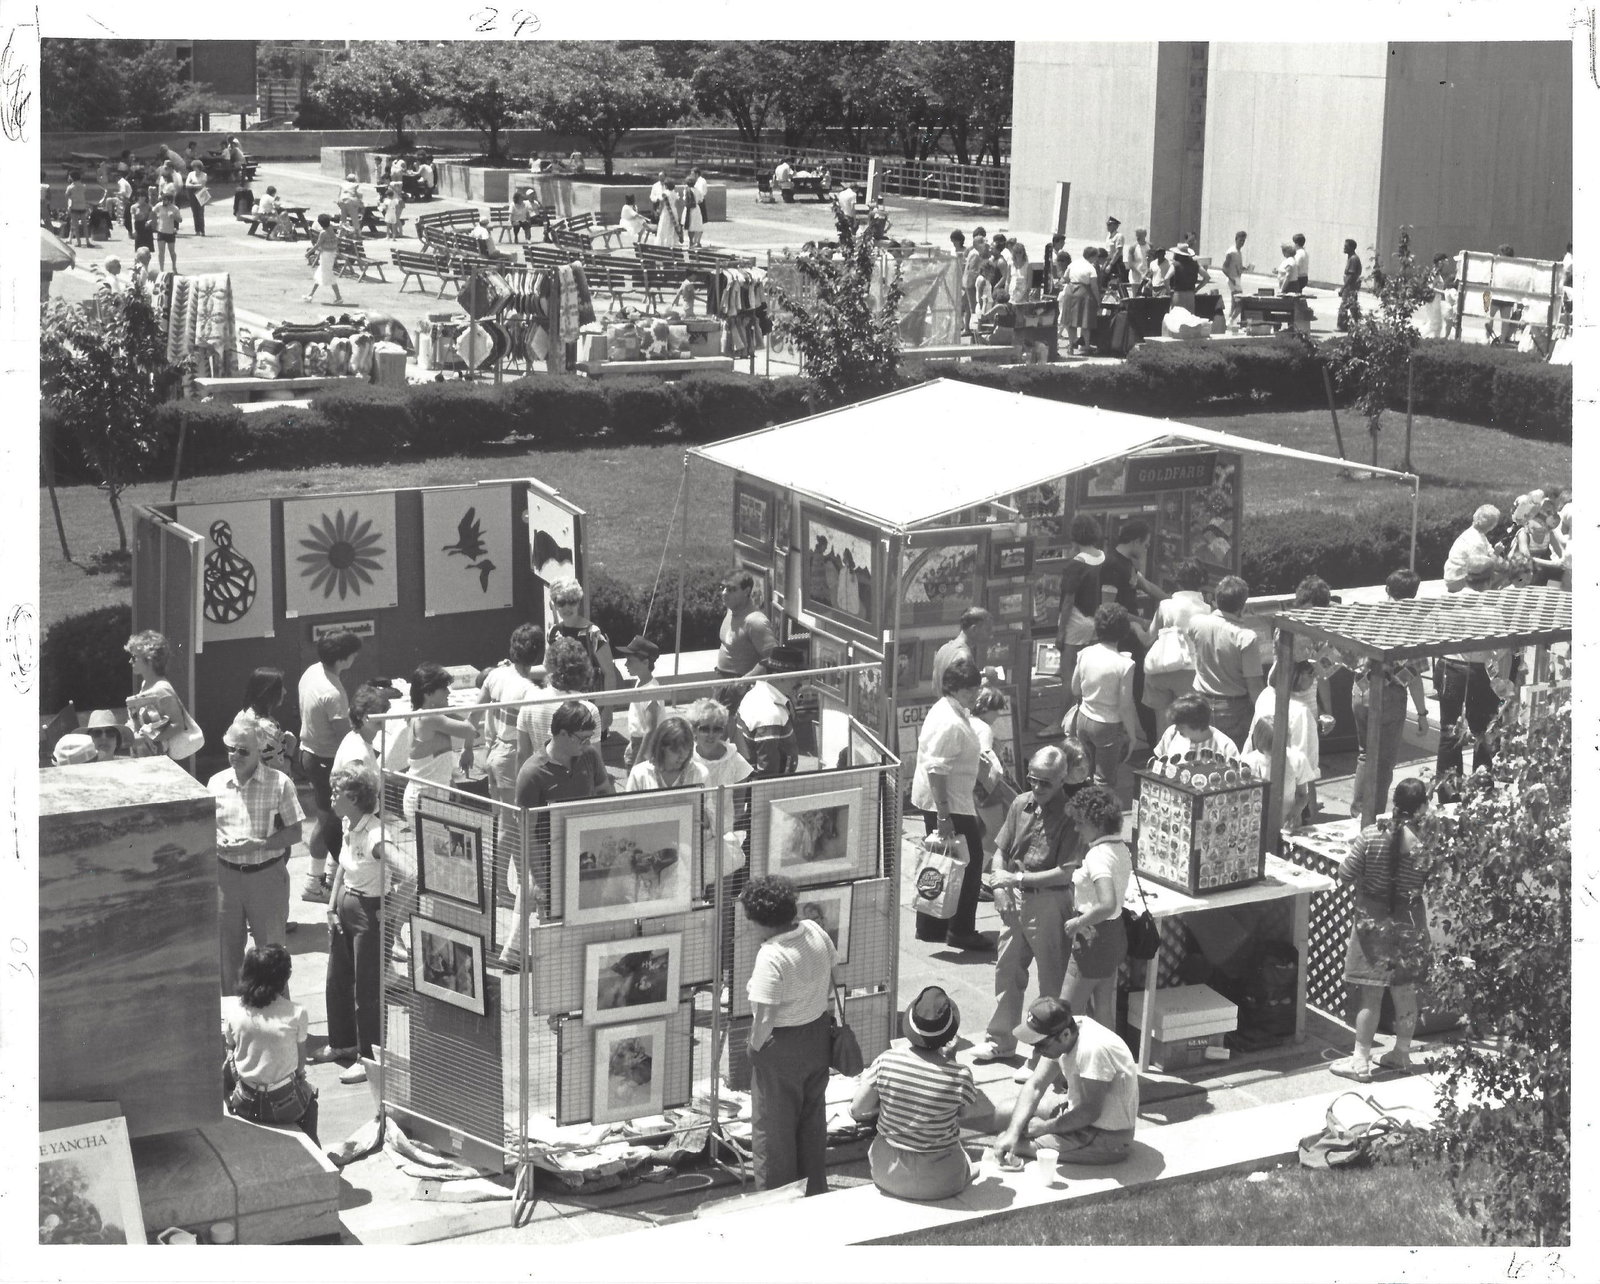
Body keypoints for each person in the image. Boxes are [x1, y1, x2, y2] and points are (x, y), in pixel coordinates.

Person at [969, 744, 1090, 1068]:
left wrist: (1014, 881)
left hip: (1049, 902)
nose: (1037, 788)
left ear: (1062, 779)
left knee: (1051, 983)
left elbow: (1065, 872)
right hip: (1015, 898)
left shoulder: (1070, 815)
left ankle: (1044, 1057)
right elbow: (1001, 851)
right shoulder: (1020, 804)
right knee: (1006, 972)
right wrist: (999, 883)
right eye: (1032, 780)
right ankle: (1000, 1041)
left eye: (1045, 783)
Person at [743, 873, 841, 1196]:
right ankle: (814, 1193)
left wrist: (755, 1050)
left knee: (774, 1136)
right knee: (812, 1125)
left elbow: (765, 1018)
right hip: (817, 1039)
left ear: (763, 921)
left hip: (781, 1050)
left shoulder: (771, 956)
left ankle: (778, 1200)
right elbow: (831, 975)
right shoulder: (814, 931)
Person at [1331, 779, 1432, 1081]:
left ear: (1393, 802)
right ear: (1423, 806)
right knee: (1405, 991)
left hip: (1372, 922)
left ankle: (1361, 1061)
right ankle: (1401, 1054)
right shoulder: (1425, 844)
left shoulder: (1370, 836)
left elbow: (1345, 874)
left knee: (1371, 996)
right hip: (1409, 921)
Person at [504, 702, 612, 961]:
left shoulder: (589, 757)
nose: (587, 744)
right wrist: (541, 881)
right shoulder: (532, 773)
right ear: (561, 734)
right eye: (582, 739)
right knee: (554, 935)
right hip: (549, 862)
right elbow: (527, 835)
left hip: (588, 858)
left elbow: (606, 793)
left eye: (589, 738)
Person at [850, 986, 979, 1201]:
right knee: (963, 1154)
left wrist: (885, 1105)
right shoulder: (961, 1075)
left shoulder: (886, 1061)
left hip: (887, 1173)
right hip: (943, 1181)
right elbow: (966, 1114)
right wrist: (951, 1061)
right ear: (949, 1035)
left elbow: (857, 1108)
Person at [209, 715, 305, 991]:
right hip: (225, 879)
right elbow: (206, 827)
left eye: (242, 751)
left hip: (266, 878)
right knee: (227, 958)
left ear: (259, 752)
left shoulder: (279, 784)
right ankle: (234, 1025)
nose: (234, 755)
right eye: (230, 748)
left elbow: (296, 833)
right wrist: (217, 841)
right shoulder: (215, 783)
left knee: (271, 956)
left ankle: (278, 1026)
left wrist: (259, 844)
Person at [992, 996, 1138, 1168]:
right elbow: (1035, 1085)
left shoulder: (1092, 1050)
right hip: (1078, 1112)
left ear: (1065, 1035)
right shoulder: (1067, 1029)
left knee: (1009, 1145)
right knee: (1003, 1115)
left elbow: (1089, 1112)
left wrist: (1044, 1128)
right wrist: (1013, 1132)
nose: (1037, 1051)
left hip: (1106, 1136)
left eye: (1041, 1045)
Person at [317, 764, 392, 1084]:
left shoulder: (376, 834)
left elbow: (411, 874)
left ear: (355, 797)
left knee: (367, 989)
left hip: (368, 916)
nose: (331, 795)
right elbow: (343, 869)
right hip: (345, 912)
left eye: (338, 791)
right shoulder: (350, 825)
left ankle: (370, 1058)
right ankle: (344, 1044)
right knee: (337, 980)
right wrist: (332, 907)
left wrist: (390, 913)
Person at [911, 656, 990, 951]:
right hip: (949, 804)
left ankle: (931, 925)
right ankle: (961, 930)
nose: (976, 695)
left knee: (940, 861)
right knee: (969, 865)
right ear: (955, 689)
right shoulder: (950, 722)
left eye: (977, 689)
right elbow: (937, 769)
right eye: (971, 690)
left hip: (946, 800)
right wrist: (944, 815)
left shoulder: (949, 709)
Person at [1434, 554, 1514, 797]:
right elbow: (1501, 651)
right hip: (1479, 672)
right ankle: (1481, 793)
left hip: (1449, 668)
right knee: (1484, 732)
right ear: (1489, 580)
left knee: (1450, 732)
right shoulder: (1493, 611)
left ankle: (1448, 795)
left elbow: (1437, 635)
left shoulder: (1448, 604)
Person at [222, 944, 319, 1145]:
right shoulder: (297, 1012)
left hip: (245, 1104)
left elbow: (230, 1051)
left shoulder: (234, 1011)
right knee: (311, 1102)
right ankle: (314, 1149)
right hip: (285, 1106)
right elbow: (300, 1066)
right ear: (283, 978)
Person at [1060, 783, 1132, 1026]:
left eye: (1080, 822)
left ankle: (1051, 1064)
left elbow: (1107, 904)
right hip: (1113, 938)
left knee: (1065, 1013)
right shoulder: (1120, 848)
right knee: (1102, 1011)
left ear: (1097, 823)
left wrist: (1077, 922)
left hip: (1092, 938)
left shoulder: (1097, 855)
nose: (1076, 827)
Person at [297, 628, 361, 901]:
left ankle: (328, 879)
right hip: (326, 762)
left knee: (331, 822)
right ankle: (315, 885)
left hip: (310, 754)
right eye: (353, 654)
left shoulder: (313, 671)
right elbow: (346, 736)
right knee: (329, 823)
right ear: (343, 659)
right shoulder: (333, 693)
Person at [1101, 520, 1162, 747]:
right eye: (1145, 545)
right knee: (1138, 687)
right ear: (1135, 541)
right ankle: (1149, 738)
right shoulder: (1112, 566)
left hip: (1131, 633)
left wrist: (1174, 601)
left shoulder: (1127, 564)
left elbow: (1146, 586)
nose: (1146, 549)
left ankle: (1149, 735)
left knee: (1139, 687)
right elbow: (1107, 607)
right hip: (1122, 637)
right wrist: (1142, 621)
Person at [1187, 574, 1262, 750]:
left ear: (1215, 599)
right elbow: (1254, 685)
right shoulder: (1246, 637)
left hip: (1201, 702)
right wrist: (1264, 714)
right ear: (1242, 605)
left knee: (1203, 757)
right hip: (1234, 709)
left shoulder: (1196, 623)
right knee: (1232, 762)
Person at [475, 624, 546, 807]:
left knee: (500, 819)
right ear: (537, 654)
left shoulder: (495, 675)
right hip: (513, 759)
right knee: (518, 823)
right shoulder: (529, 691)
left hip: (494, 753)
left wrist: (468, 748)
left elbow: (474, 714)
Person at [1070, 605, 1139, 789]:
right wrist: (1132, 736)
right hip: (1107, 725)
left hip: (1083, 719)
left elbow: (1075, 689)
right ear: (1124, 631)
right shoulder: (1125, 664)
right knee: (1104, 781)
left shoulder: (1085, 653)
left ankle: (1083, 809)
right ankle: (1099, 815)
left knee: (1084, 773)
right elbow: (1125, 706)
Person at [402, 662, 480, 821]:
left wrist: (450, 782)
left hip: (432, 796)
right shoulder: (430, 717)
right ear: (428, 693)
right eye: (443, 688)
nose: (448, 692)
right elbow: (471, 730)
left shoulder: (426, 715)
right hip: (424, 799)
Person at [547, 577, 623, 730]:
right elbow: (549, 668)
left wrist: (608, 710)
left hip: (590, 708)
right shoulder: (553, 633)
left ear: (579, 602)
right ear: (554, 604)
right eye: (561, 603)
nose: (567, 607)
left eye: (572, 601)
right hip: (562, 707)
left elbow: (609, 673)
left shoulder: (593, 634)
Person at [516, 636, 600, 771]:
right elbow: (595, 761)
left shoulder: (530, 701)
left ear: (550, 667)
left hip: (539, 778)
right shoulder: (589, 709)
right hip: (578, 782)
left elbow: (522, 755)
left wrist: (521, 787)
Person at [713, 569, 778, 720]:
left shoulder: (755, 621)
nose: (724, 593)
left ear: (746, 591)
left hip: (740, 688)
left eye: (731, 589)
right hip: (722, 683)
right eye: (722, 588)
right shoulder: (730, 611)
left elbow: (771, 658)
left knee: (729, 733)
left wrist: (743, 682)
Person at [1056, 514, 1107, 682]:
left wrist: (1061, 632)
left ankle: (1066, 709)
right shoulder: (1103, 558)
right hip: (1098, 619)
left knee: (1069, 676)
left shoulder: (1075, 564)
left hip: (1076, 622)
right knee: (1090, 673)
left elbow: (1068, 601)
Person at [1241, 715, 1313, 832]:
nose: (1275, 753)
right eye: (1270, 748)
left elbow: (1303, 795)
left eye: (1279, 746)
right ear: (1260, 742)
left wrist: (1296, 810)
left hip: (1288, 826)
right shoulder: (1248, 763)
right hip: (1257, 828)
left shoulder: (1297, 759)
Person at [123, 629, 187, 758]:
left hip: (158, 757)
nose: (130, 661)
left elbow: (178, 725)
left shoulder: (161, 689)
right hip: (144, 755)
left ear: (149, 659)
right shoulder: (146, 684)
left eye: (134, 657)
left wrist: (148, 739)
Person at [618, 636, 666, 770]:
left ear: (645, 663)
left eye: (630, 661)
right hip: (636, 742)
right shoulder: (640, 682)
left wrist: (638, 761)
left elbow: (651, 729)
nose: (626, 664)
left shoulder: (651, 691)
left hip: (647, 746)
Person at [625, 715, 706, 794]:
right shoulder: (639, 774)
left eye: (687, 749)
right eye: (676, 750)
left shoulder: (700, 773)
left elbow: (707, 806)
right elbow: (627, 806)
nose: (682, 755)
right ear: (661, 747)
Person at [241, 666, 299, 778]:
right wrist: (290, 748)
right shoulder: (266, 729)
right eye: (281, 688)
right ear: (269, 692)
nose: (285, 692)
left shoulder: (243, 715)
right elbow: (280, 772)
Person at [1152, 693, 1241, 760]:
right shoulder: (1171, 733)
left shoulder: (1225, 747)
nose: (1176, 728)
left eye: (1181, 726)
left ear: (1197, 725)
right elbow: (1157, 766)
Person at [930, 606, 994, 697]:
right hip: (955, 710)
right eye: (987, 630)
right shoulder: (963, 656)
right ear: (974, 629)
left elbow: (936, 688)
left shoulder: (943, 649)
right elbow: (963, 695)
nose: (991, 635)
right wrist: (987, 681)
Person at [1443, 505, 1504, 592]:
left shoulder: (1476, 533)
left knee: (1501, 569)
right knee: (1502, 575)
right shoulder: (1476, 541)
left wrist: (1496, 556)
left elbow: (1490, 551)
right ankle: (1484, 596)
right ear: (1491, 525)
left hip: (1454, 577)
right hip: (1457, 580)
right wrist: (1497, 553)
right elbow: (1481, 567)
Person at [334, 683, 391, 774]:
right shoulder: (357, 754)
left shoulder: (359, 738)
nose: (381, 716)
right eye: (374, 712)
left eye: (384, 711)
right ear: (359, 715)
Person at [1060, 249, 1099, 353]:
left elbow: (1065, 278)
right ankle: (1086, 345)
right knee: (1085, 321)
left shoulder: (1073, 264)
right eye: (1096, 257)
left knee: (1070, 321)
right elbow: (1094, 286)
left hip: (1070, 291)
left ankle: (1071, 345)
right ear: (1092, 256)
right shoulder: (1091, 268)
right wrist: (1098, 300)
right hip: (1083, 292)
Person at [304, 213, 343, 305]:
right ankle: (310, 294)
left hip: (326, 255)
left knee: (328, 275)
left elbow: (317, 245)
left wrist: (308, 253)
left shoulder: (323, 233)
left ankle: (339, 298)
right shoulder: (330, 227)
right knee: (320, 274)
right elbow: (339, 227)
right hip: (330, 254)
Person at [1221, 231, 1252, 331]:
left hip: (1237, 279)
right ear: (1236, 239)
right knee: (1240, 302)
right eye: (1240, 240)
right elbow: (1224, 268)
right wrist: (1231, 279)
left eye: (1243, 241)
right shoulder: (1231, 252)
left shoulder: (1239, 252)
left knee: (1234, 304)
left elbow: (1237, 267)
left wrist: (1245, 268)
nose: (1242, 242)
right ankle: (1229, 321)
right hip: (1233, 280)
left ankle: (1228, 323)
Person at [1168, 242, 1201, 313]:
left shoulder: (1175, 265)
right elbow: (1207, 277)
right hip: (1190, 294)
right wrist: (1197, 289)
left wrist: (1169, 291)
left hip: (1178, 294)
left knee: (1177, 318)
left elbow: (1166, 278)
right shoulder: (1194, 264)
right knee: (1189, 319)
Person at [1337, 238, 1362, 330]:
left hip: (1350, 287)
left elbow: (1351, 276)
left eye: (1346, 246)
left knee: (1345, 305)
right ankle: (1355, 324)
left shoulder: (1353, 259)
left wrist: (1343, 288)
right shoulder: (1351, 258)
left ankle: (1343, 325)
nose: (1344, 248)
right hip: (1350, 286)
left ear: (1351, 248)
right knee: (1352, 306)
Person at [153, 193, 181, 272]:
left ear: (169, 201)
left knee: (172, 251)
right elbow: (152, 212)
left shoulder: (175, 208)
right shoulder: (159, 206)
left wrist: (174, 216)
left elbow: (180, 220)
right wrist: (155, 220)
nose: (163, 202)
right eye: (162, 200)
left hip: (170, 232)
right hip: (161, 231)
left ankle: (174, 267)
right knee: (161, 252)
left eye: (165, 200)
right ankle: (161, 269)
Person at [655, 179, 685, 250]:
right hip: (673, 210)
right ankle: (671, 242)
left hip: (666, 211)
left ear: (666, 186)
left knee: (664, 226)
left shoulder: (664, 193)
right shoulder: (674, 193)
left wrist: (658, 211)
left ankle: (662, 243)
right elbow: (677, 204)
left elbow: (661, 204)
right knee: (671, 227)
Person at [185, 161, 209, 237]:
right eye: (194, 167)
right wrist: (195, 185)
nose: (195, 169)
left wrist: (192, 184)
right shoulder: (190, 174)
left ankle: (202, 230)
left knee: (201, 213)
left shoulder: (204, 175)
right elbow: (186, 184)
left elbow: (202, 186)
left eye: (196, 167)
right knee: (194, 212)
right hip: (192, 194)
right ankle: (197, 230)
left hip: (201, 194)